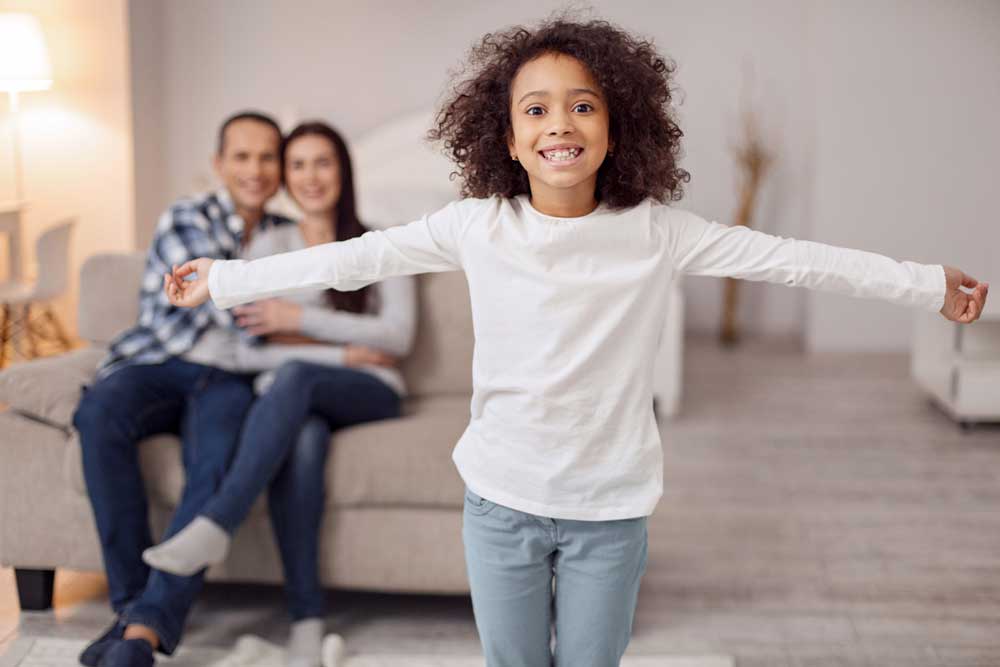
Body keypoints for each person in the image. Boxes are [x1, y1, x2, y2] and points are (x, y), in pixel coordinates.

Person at [162, 17, 990, 667]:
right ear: (510, 140)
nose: (561, 123)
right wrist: (225, 277)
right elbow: (359, 254)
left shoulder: (658, 232)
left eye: (583, 104)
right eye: (537, 109)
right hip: (499, 502)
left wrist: (922, 282)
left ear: (615, 127)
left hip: (611, 510)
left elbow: (794, 261)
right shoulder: (476, 225)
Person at [142, 121, 416, 667]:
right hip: (307, 396)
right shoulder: (268, 246)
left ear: (344, 171)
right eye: (298, 165)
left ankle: (216, 523)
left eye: (324, 163)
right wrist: (342, 349)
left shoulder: (381, 240)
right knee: (305, 436)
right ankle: (307, 626)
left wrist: (297, 321)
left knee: (294, 376)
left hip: (372, 390)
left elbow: (397, 337)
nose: (311, 177)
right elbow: (246, 352)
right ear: (285, 178)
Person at [72, 111, 298, 667]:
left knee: (214, 464)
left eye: (267, 157)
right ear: (219, 164)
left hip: (228, 379)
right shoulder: (186, 217)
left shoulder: (286, 235)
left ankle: (138, 636)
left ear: (281, 168)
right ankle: (133, 608)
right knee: (98, 413)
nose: (255, 169)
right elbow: (224, 302)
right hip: (160, 361)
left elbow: (276, 324)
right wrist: (273, 310)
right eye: (242, 157)